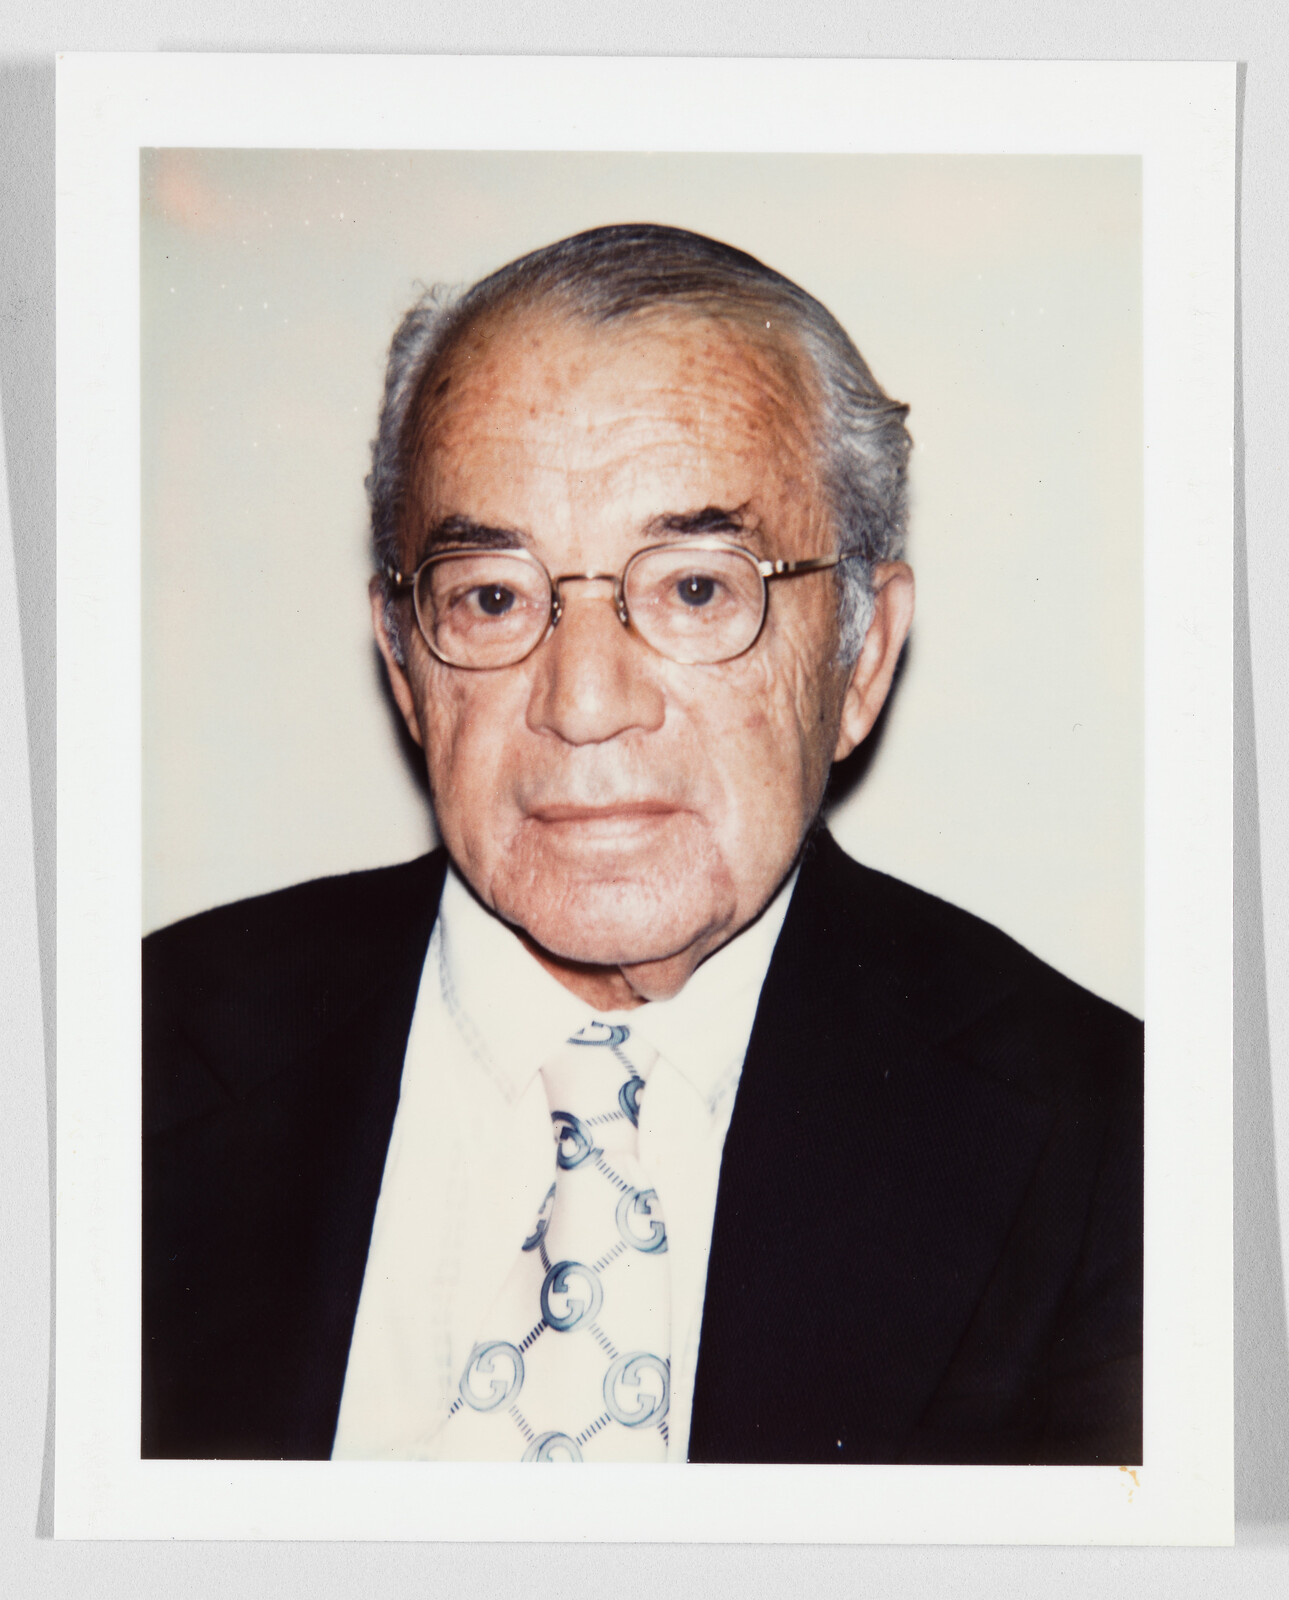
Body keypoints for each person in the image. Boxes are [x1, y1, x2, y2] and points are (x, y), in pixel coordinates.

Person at [142, 223, 1142, 1466]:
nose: (583, 699)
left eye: (694, 588)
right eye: (493, 597)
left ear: (860, 655)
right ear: (405, 662)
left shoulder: (1118, 1152)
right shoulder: (121, 1057)